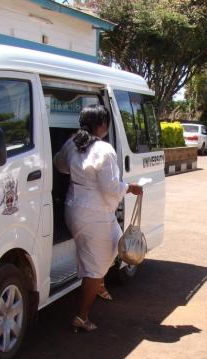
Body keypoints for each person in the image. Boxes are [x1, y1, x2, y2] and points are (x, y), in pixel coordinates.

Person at [54, 104, 142, 332]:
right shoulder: (104, 149)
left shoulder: (73, 143)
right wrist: (130, 187)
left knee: (111, 243)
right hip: (95, 213)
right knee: (96, 263)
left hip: (73, 209)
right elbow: (111, 188)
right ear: (103, 125)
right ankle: (82, 317)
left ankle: (99, 281)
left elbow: (59, 165)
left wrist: (79, 172)